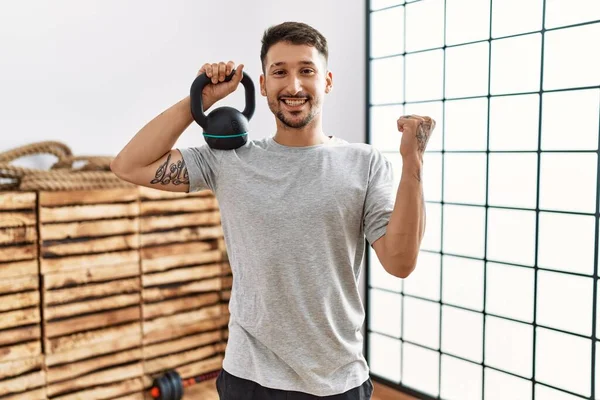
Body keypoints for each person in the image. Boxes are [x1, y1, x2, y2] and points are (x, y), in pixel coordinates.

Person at [111, 21, 435, 400]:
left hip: (335, 381)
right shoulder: (230, 159)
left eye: (306, 71)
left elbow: (400, 261)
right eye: (279, 72)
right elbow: (129, 165)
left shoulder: (362, 162)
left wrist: (412, 163)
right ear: (262, 85)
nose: (294, 86)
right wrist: (201, 99)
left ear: (327, 81)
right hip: (249, 377)